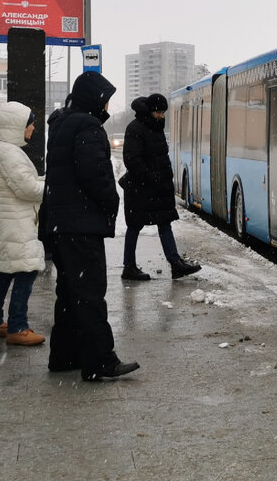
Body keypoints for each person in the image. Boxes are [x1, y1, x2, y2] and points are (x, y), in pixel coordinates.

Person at [41, 71, 139, 381]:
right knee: (90, 293)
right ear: (94, 99)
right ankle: (100, 361)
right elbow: (95, 176)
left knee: (70, 292)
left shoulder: (59, 123)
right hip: (80, 224)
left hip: (58, 223)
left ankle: (64, 355)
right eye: (105, 99)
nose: (108, 106)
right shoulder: (88, 127)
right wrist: (111, 202)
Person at [0, 102, 45, 346]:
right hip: (17, 221)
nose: (33, 127)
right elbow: (27, 189)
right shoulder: (8, 152)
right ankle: (18, 327)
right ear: (16, 125)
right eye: (29, 123)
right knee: (26, 271)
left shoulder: (0, 149)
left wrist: (41, 180)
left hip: (8, 219)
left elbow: (22, 181)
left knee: (6, 272)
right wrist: (53, 187)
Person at [119, 93, 201, 281]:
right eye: (158, 112)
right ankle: (129, 266)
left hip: (157, 188)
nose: (161, 116)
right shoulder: (135, 128)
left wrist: (161, 179)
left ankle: (175, 264)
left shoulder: (154, 127)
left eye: (163, 112)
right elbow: (132, 159)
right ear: (149, 111)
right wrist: (151, 177)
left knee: (165, 223)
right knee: (134, 226)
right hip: (140, 189)